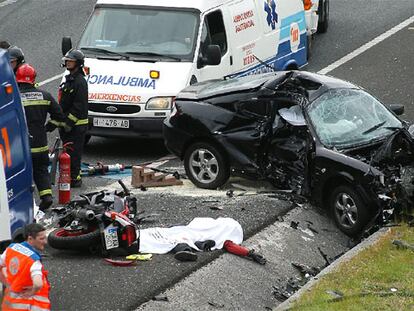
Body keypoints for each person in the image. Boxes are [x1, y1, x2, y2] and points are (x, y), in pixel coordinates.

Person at [16, 64, 66, 211]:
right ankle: (46, 197)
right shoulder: (45, 96)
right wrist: (48, 127)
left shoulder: (14, 98)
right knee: (41, 170)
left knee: (21, 173)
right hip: (40, 144)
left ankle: (24, 203)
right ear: (33, 79)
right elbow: (60, 116)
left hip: (21, 145)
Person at [0, 223, 51, 311]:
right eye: (42, 238)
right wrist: (32, 292)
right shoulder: (33, 260)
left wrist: (6, 283)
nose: (45, 242)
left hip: (10, 304)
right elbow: (38, 284)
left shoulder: (11, 248)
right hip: (32, 305)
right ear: (30, 239)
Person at [59, 49, 88, 188]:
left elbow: (78, 106)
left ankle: (75, 179)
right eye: (68, 60)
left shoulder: (79, 82)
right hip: (69, 125)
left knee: (74, 154)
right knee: (68, 152)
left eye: (71, 61)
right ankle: (70, 176)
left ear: (78, 63)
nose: (68, 62)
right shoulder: (70, 79)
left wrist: (68, 123)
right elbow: (64, 104)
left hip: (77, 126)